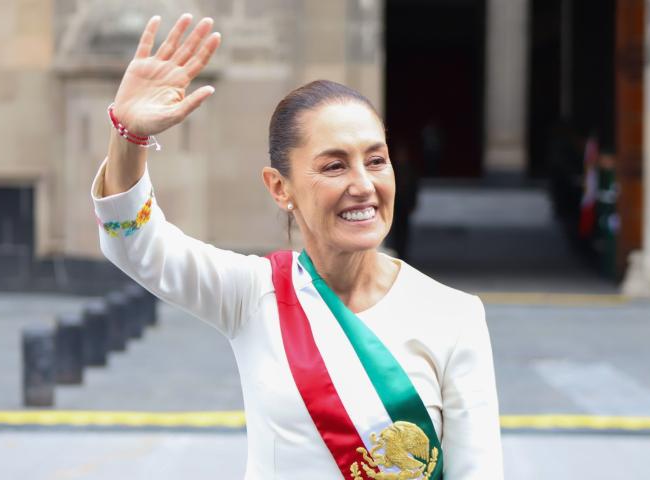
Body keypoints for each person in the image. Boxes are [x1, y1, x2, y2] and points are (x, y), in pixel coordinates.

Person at [91, 14, 503, 479]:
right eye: (334, 167)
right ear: (279, 187)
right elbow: (134, 242)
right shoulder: (253, 295)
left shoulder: (454, 315)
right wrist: (128, 135)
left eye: (376, 160)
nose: (363, 185)